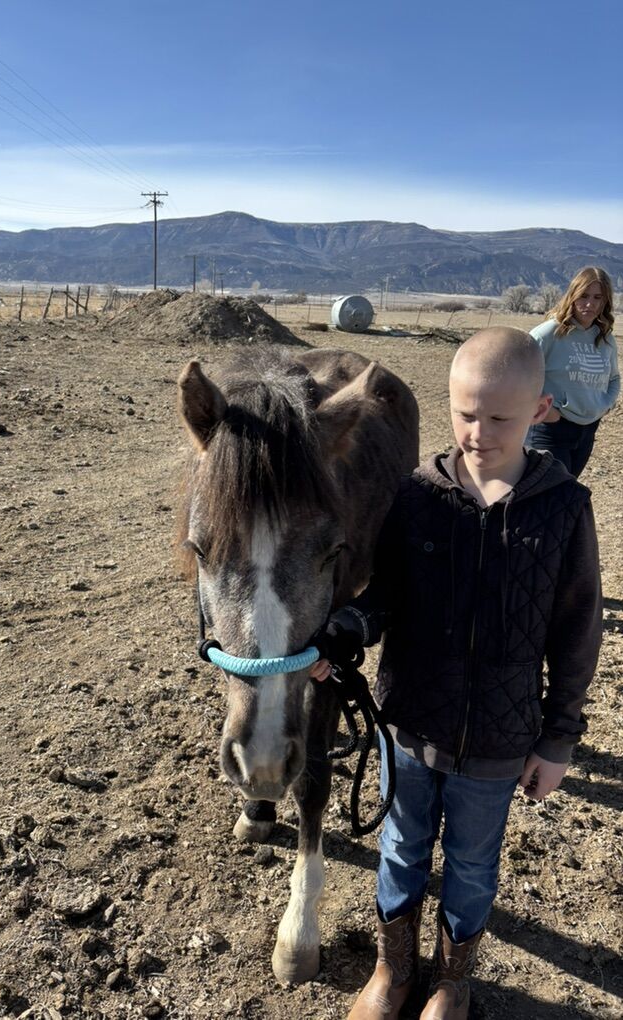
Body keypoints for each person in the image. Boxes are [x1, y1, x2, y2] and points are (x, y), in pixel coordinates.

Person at [311, 327, 602, 1020]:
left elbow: (576, 635)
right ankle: (393, 970)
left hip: (500, 743)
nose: (477, 432)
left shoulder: (564, 508)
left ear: (540, 409)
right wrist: (344, 634)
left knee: (472, 864)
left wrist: (557, 740)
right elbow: (382, 597)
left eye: (499, 417)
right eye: (464, 413)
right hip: (410, 725)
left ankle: (452, 980)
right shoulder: (416, 495)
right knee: (402, 847)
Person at [528, 266, 619, 477]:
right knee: (544, 496)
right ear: (572, 295)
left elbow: (614, 378)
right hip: (550, 429)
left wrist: (603, 406)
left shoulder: (605, 338)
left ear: (606, 301)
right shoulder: (549, 333)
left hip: (587, 431)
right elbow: (518, 375)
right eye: (584, 296)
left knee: (565, 495)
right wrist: (547, 411)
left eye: (598, 297)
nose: (590, 304)